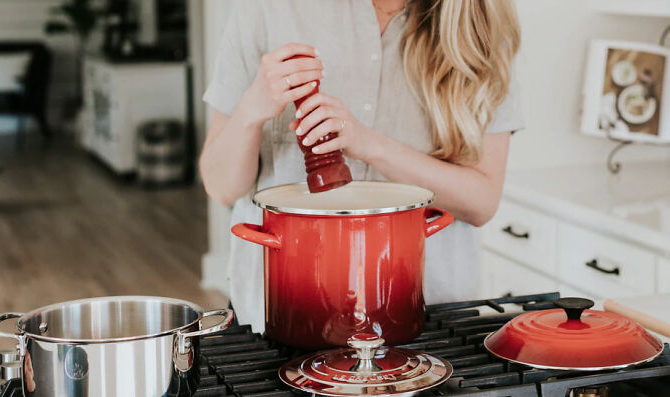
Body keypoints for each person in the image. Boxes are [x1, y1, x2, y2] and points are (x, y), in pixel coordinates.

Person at [200, 0, 523, 332]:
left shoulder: (479, 26)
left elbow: (482, 202)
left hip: (427, 319)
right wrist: (252, 109)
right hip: (279, 314)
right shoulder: (267, 10)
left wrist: (370, 145)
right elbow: (221, 186)